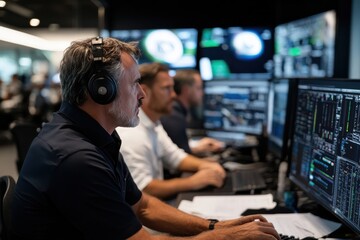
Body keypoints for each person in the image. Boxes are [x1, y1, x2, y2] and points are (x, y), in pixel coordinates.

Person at [11, 37, 280, 240]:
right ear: (102, 90)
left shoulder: (96, 137)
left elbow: (144, 206)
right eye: (134, 84)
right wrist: (226, 237)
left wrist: (214, 226)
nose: (142, 94)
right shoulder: (76, 159)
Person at [116, 63, 225, 200]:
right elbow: (144, 189)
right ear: (145, 92)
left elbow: (175, 156)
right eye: (167, 89)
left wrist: (207, 165)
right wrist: (193, 182)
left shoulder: (153, 123)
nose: (174, 95)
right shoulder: (132, 134)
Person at [160, 69, 225, 156]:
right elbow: (180, 160)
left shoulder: (176, 110)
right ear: (187, 90)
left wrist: (196, 148)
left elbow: (178, 150)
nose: (202, 93)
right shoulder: (174, 117)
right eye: (199, 88)